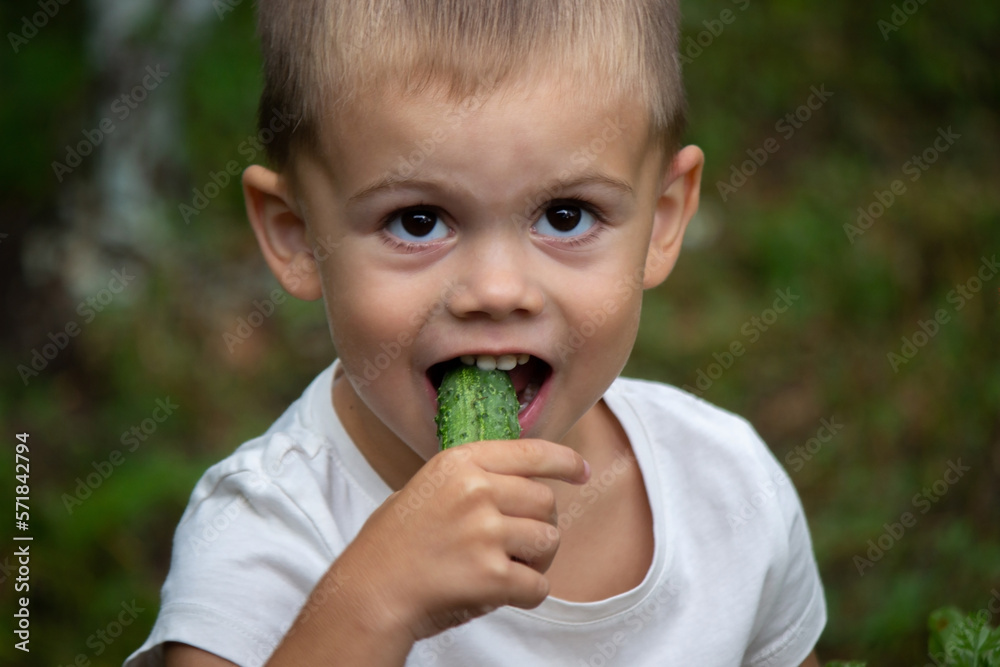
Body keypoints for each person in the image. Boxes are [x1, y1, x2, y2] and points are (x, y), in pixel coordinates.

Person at [126, 1, 826, 664]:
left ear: (663, 219)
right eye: (418, 221)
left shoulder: (729, 487)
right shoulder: (261, 537)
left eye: (565, 215)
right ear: (297, 235)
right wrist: (374, 602)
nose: (496, 290)